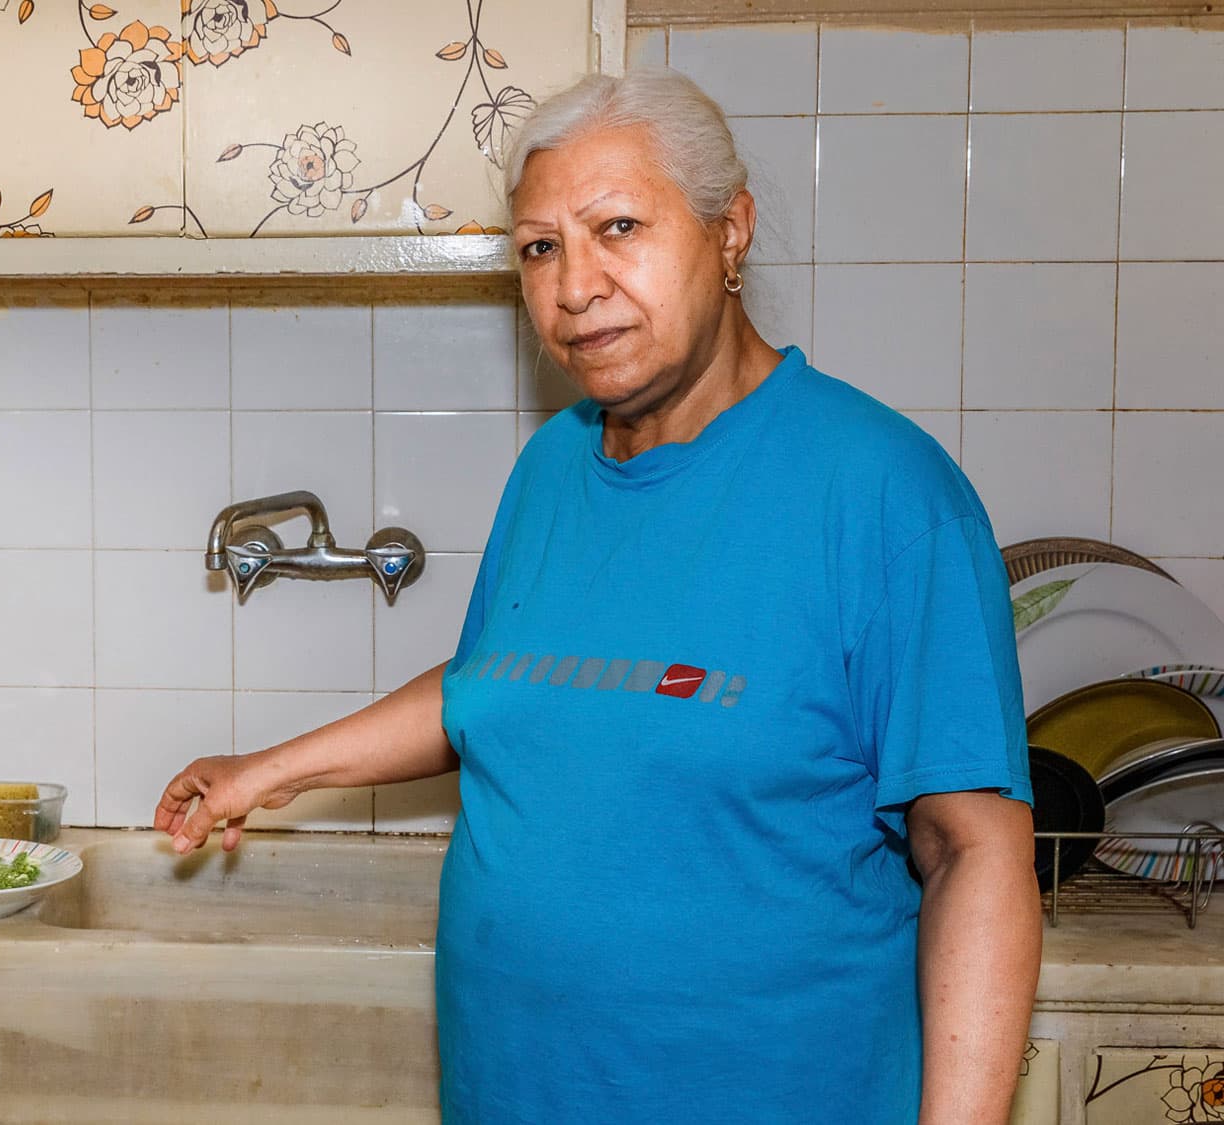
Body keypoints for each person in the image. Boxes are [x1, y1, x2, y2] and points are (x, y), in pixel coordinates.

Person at [153, 66, 1040, 1124]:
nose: (574, 286)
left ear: (729, 230)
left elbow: (972, 851)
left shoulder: (884, 493)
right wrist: (271, 770)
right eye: (539, 248)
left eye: (616, 227)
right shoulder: (551, 468)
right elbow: (509, 683)